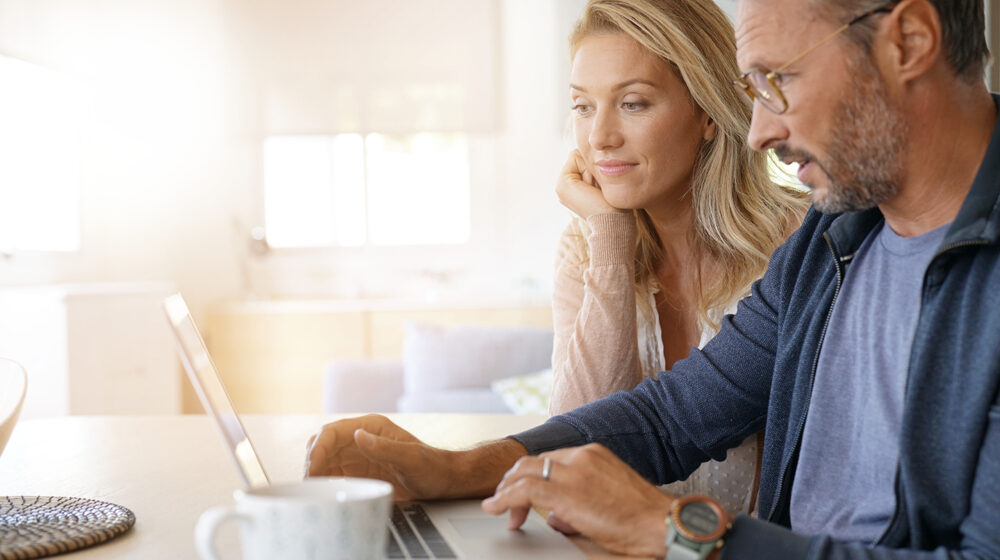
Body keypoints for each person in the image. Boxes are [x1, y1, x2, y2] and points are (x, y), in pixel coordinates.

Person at [306, 0, 1000, 557]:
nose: (757, 131)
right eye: (751, 90)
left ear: (908, 40)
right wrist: (456, 468)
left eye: (777, 80)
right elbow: (672, 416)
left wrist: (677, 529)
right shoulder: (835, 237)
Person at [549, 0, 807, 515]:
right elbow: (574, 452)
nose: (599, 137)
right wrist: (610, 240)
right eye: (582, 106)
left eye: (633, 103)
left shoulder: (797, 242)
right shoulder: (586, 248)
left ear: (707, 113)